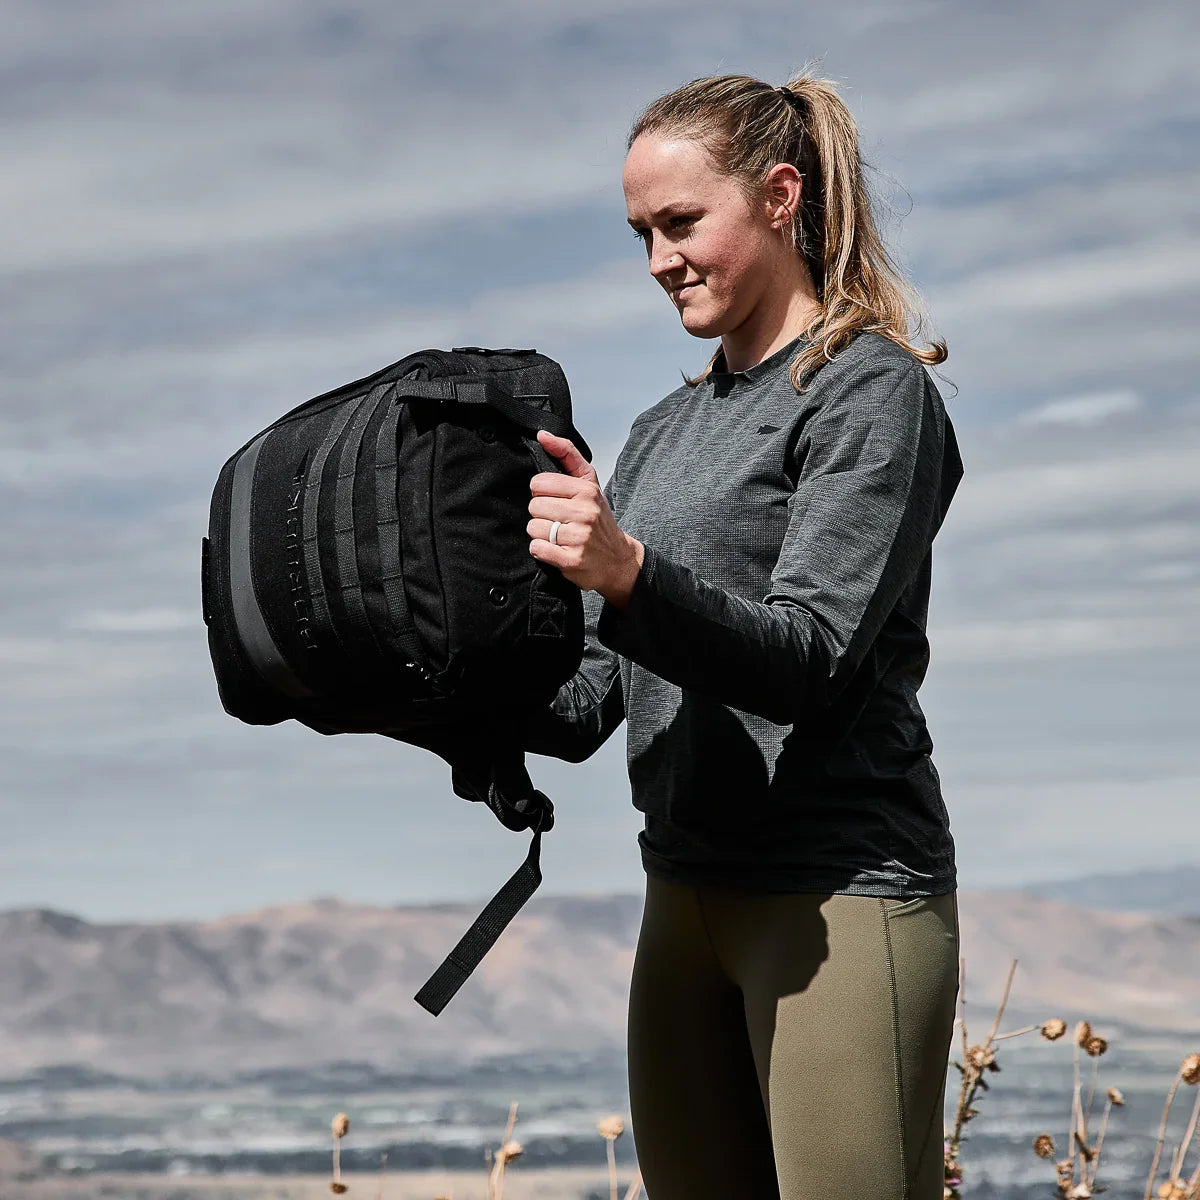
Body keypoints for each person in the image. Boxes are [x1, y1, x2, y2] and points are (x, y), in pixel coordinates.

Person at [521, 69, 964, 1199]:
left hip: (838, 896)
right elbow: (580, 705)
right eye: (642, 234)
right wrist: (423, 679)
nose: (660, 259)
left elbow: (808, 659)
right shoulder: (662, 430)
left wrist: (626, 570)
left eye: (681, 223)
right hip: (683, 901)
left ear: (778, 197)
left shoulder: (867, 392)